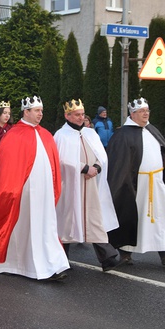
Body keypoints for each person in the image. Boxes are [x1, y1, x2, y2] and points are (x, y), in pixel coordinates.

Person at [0, 96, 70, 281]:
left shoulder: (45, 134)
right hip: (23, 194)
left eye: (41, 110)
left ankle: (50, 263)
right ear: (26, 112)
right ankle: (13, 264)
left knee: (43, 226)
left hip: (43, 194)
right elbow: (5, 168)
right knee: (20, 227)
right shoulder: (13, 135)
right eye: (37, 110)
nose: (41, 114)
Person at [105, 98, 165, 266]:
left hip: (157, 182)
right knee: (133, 217)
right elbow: (119, 162)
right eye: (142, 111)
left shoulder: (151, 130)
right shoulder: (123, 134)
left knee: (162, 215)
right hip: (136, 185)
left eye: (147, 110)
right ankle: (125, 252)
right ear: (133, 114)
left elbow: (158, 151)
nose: (146, 113)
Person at [54, 99, 123, 271]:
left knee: (94, 217)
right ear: (67, 116)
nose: (80, 118)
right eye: (76, 115)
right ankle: (62, 259)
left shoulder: (90, 133)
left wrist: (96, 168)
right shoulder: (61, 136)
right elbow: (60, 161)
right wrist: (84, 168)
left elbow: (102, 155)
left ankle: (107, 257)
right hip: (71, 184)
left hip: (91, 183)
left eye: (82, 114)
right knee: (68, 219)